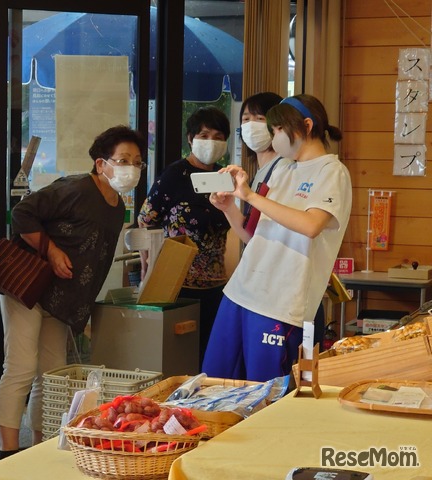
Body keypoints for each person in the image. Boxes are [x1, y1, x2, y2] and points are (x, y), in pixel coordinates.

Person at [0, 125, 146, 460]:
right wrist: (50, 249)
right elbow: (21, 213)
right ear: (101, 163)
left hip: (63, 300)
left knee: (53, 374)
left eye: (137, 161)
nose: (130, 167)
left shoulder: (118, 206)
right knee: (19, 366)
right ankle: (6, 452)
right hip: (29, 287)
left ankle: (40, 446)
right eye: (122, 159)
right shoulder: (76, 187)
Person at [202, 94, 352, 382]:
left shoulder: (332, 172)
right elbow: (251, 233)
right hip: (240, 292)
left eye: (278, 129)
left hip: (281, 303)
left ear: (306, 126)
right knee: (215, 384)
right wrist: (229, 207)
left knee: (268, 391)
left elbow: (311, 225)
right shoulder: (281, 167)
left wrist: (250, 195)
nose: (274, 137)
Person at [137, 106, 231, 369]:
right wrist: (147, 263)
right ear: (190, 139)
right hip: (178, 284)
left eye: (217, 136)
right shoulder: (174, 175)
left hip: (216, 284)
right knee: (178, 358)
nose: (211, 142)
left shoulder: (224, 178)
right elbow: (146, 218)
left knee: (207, 358)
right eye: (203, 135)